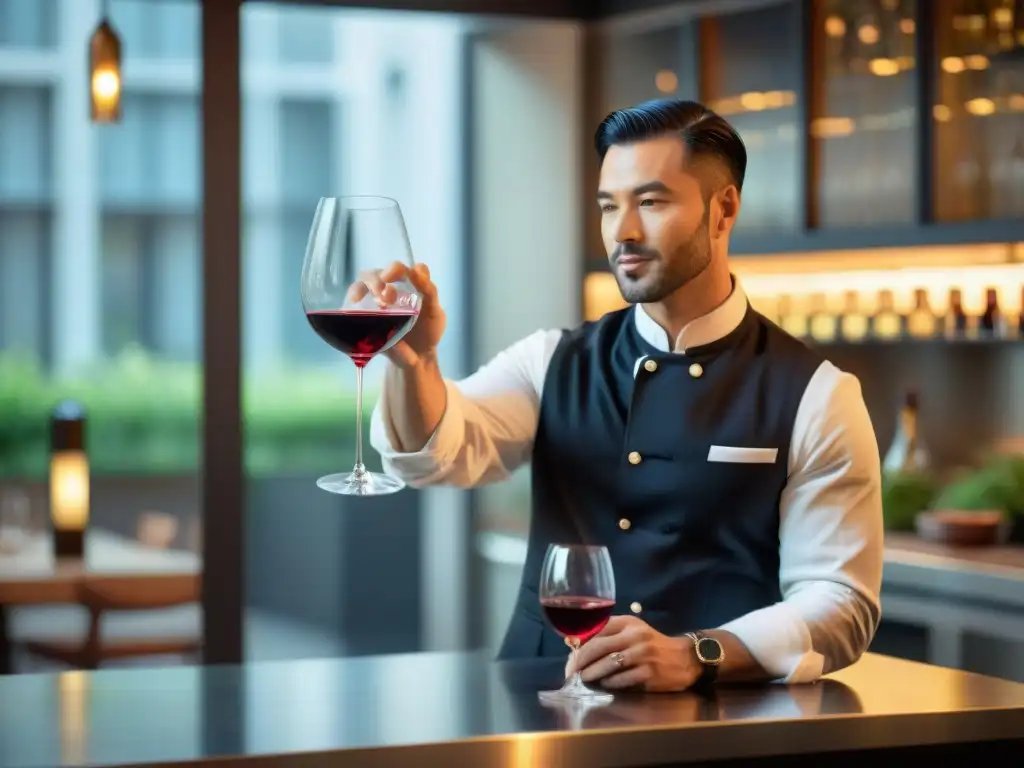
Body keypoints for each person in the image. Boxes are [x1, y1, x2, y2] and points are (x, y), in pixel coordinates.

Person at [363, 98, 884, 692]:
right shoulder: (550, 358)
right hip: (540, 706)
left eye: (651, 202)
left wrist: (700, 653)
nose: (623, 231)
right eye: (609, 206)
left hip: (718, 725)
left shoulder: (818, 394)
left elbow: (841, 603)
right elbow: (438, 454)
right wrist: (415, 361)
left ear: (724, 210)